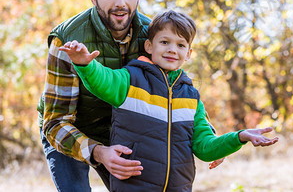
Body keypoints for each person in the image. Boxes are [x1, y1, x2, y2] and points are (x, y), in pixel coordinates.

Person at [37, 0, 223, 191]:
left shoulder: (153, 35)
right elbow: (56, 122)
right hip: (70, 128)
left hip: (125, 130)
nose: (121, 3)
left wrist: (209, 135)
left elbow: (174, 86)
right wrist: (99, 151)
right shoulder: (67, 41)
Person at [60, 10, 279, 191]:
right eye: (164, 42)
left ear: (189, 53)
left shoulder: (191, 98)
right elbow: (103, 80)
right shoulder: (131, 80)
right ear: (149, 47)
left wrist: (239, 137)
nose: (172, 49)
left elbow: (205, 148)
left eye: (180, 45)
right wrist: (85, 64)